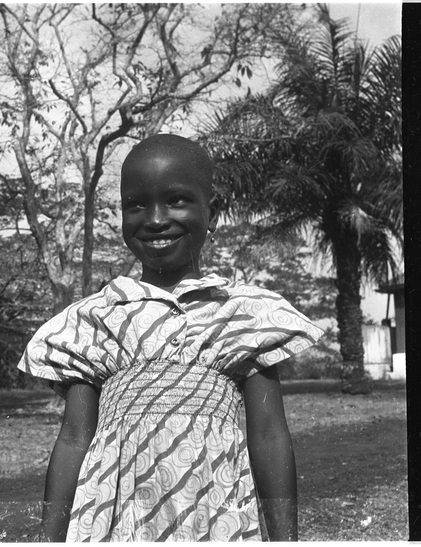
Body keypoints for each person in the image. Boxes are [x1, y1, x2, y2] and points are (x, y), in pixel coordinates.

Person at [18, 134, 324, 542]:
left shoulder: (244, 314)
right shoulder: (96, 319)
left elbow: (268, 436)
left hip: (215, 517)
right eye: (137, 205)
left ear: (210, 212)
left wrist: (286, 541)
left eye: (177, 200)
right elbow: (74, 439)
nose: (156, 219)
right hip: (114, 521)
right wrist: (49, 540)